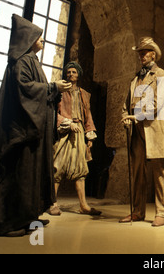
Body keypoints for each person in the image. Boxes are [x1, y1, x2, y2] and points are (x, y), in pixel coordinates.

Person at [0, 14, 71, 236]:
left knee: (30, 175)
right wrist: (52, 87)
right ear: (29, 39)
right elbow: (25, 90)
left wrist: (53, 90)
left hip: (31, 130)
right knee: (16, 174)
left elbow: (35, 89)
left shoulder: (30, 60)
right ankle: (7, 222)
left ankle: (27, 216)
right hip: (20, 130)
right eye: (39, 37)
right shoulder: (21, 61)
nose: (42, 41)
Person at [120, 37, 164, 227]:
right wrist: (126, 116)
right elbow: (126, 104)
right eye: (140, 52)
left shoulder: (161, 75)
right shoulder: (135, 79)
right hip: (136, 129)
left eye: (145, 52)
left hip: (154, 127)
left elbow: (157, 103)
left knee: (159, 170)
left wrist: (137, 116)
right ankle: (137, 211)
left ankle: (162, 213)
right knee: (138, 171)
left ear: (153, 54)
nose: (141, 55)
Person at [48, 62, 101, 216]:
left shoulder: (84, 94)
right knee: (57, 166)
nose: (70, 74)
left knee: (80, 169)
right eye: (68, 72)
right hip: (64, 133)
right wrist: (67, 123)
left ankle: (83, 205)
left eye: (73, 72)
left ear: (78, 75)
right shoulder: (60, 92)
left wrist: (89, 134)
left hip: (79, 134)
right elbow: (53, 113)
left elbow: (87, 115)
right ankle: (52, 203)